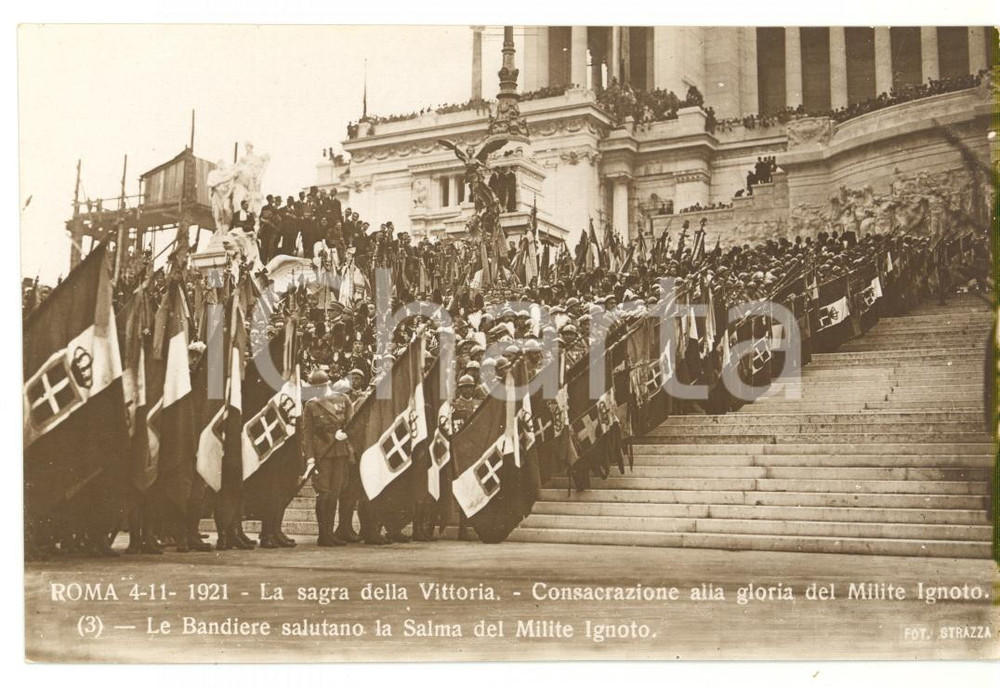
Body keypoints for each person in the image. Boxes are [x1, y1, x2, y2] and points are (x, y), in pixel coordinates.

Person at [300, 370, 355, 547]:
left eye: (320, 387)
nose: (317, 390)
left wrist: (345, 434)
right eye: (314, 388)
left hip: (340, 452)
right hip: (322, 454)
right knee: (324, 494)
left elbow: (352, 424)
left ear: (327, 384)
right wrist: (310, 459)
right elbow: (307, 435)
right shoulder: (311, 405)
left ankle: (330, 533)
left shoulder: (343, 399)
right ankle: (323, 535)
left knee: (335, 493)